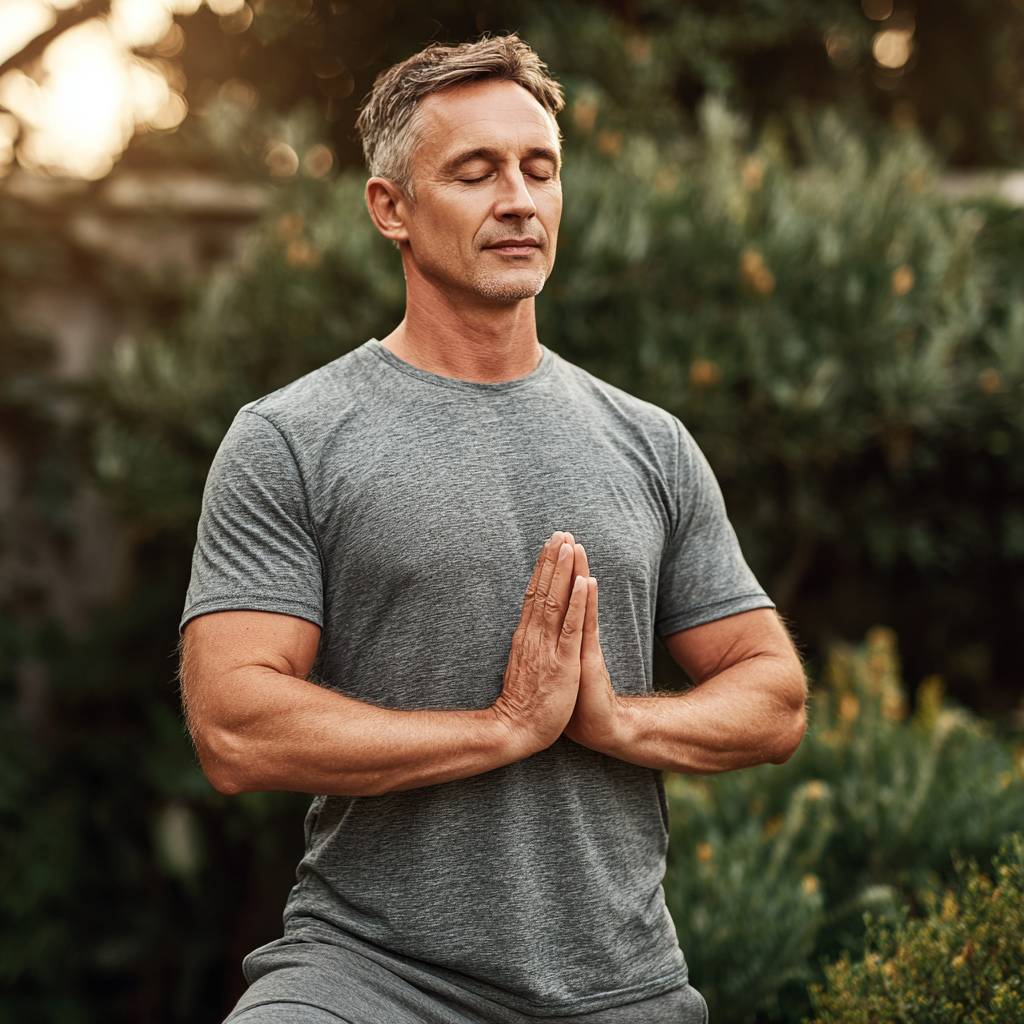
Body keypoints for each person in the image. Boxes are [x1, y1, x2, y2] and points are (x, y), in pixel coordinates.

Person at [180, 34, 807, 1024]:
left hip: (621, 987)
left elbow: (772, 697)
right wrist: (501, 729)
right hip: (369, 979)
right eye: (475, 172)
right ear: (392, 208)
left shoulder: (650, 443)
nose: (519, 198)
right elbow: (233, 725)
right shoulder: (292, 441)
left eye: (540, 169)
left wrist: (617, 722)